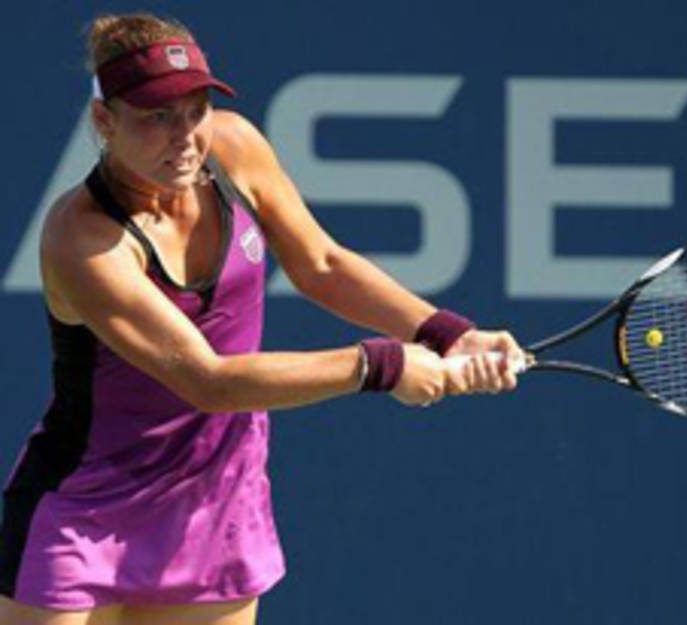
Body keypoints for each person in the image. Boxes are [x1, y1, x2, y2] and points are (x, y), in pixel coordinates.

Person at [0, 12, 522, 625]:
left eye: (196, 111)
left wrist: (445, 333)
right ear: (103, 121)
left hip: (216, 504)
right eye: (157, 117)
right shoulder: (82, 240)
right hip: (85, 513)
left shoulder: (235, 148)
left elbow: (322, 264)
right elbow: (208, 381)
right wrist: (380, 365)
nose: (185, 136)